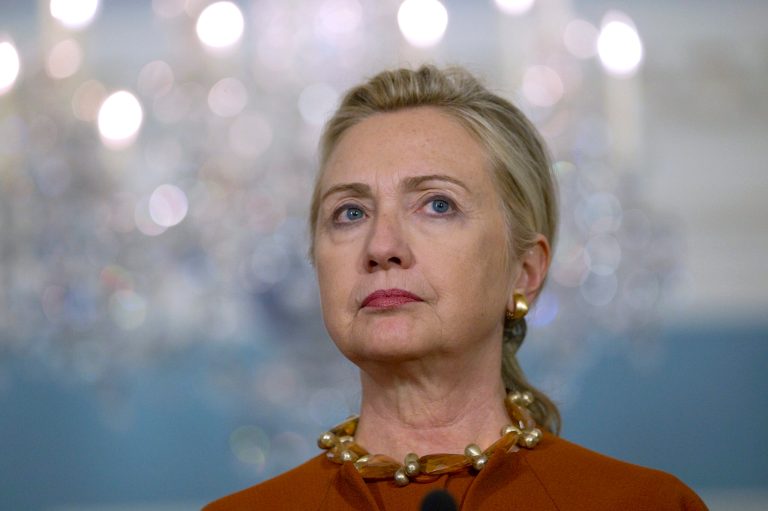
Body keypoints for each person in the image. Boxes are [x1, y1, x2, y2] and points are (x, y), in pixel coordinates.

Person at [204, 65, 707, 510]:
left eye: (437, 205)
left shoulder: (646, 505)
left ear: (525, 271)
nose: (381, 246)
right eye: (350, 213)